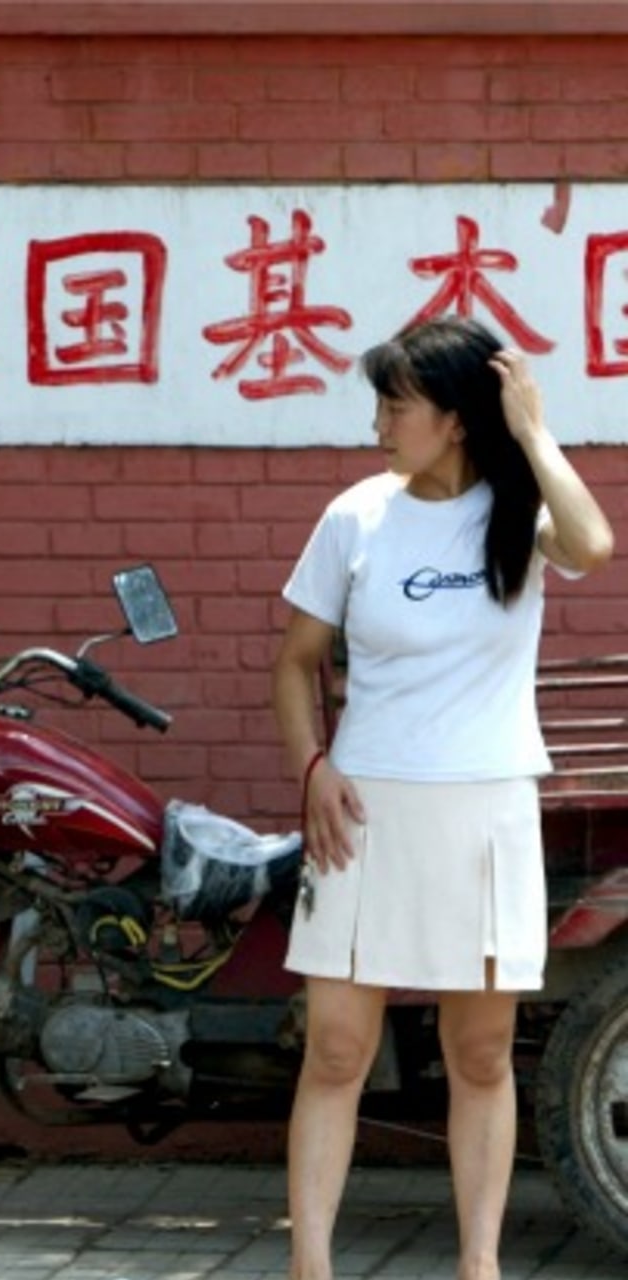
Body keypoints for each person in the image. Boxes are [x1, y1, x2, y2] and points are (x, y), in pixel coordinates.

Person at [270, 315, 613, 1280]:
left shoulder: (519, 512)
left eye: (397, 404)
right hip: (364, 812)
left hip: (486, 810)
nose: (380, 422)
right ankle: (311, 1267)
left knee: (481, 1055)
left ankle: (478, 1263)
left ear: (456, 419)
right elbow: (295, 666)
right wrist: (312, 768)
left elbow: (592, 543)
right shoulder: (355, 517)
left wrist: (535, 429)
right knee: (337, 1050)